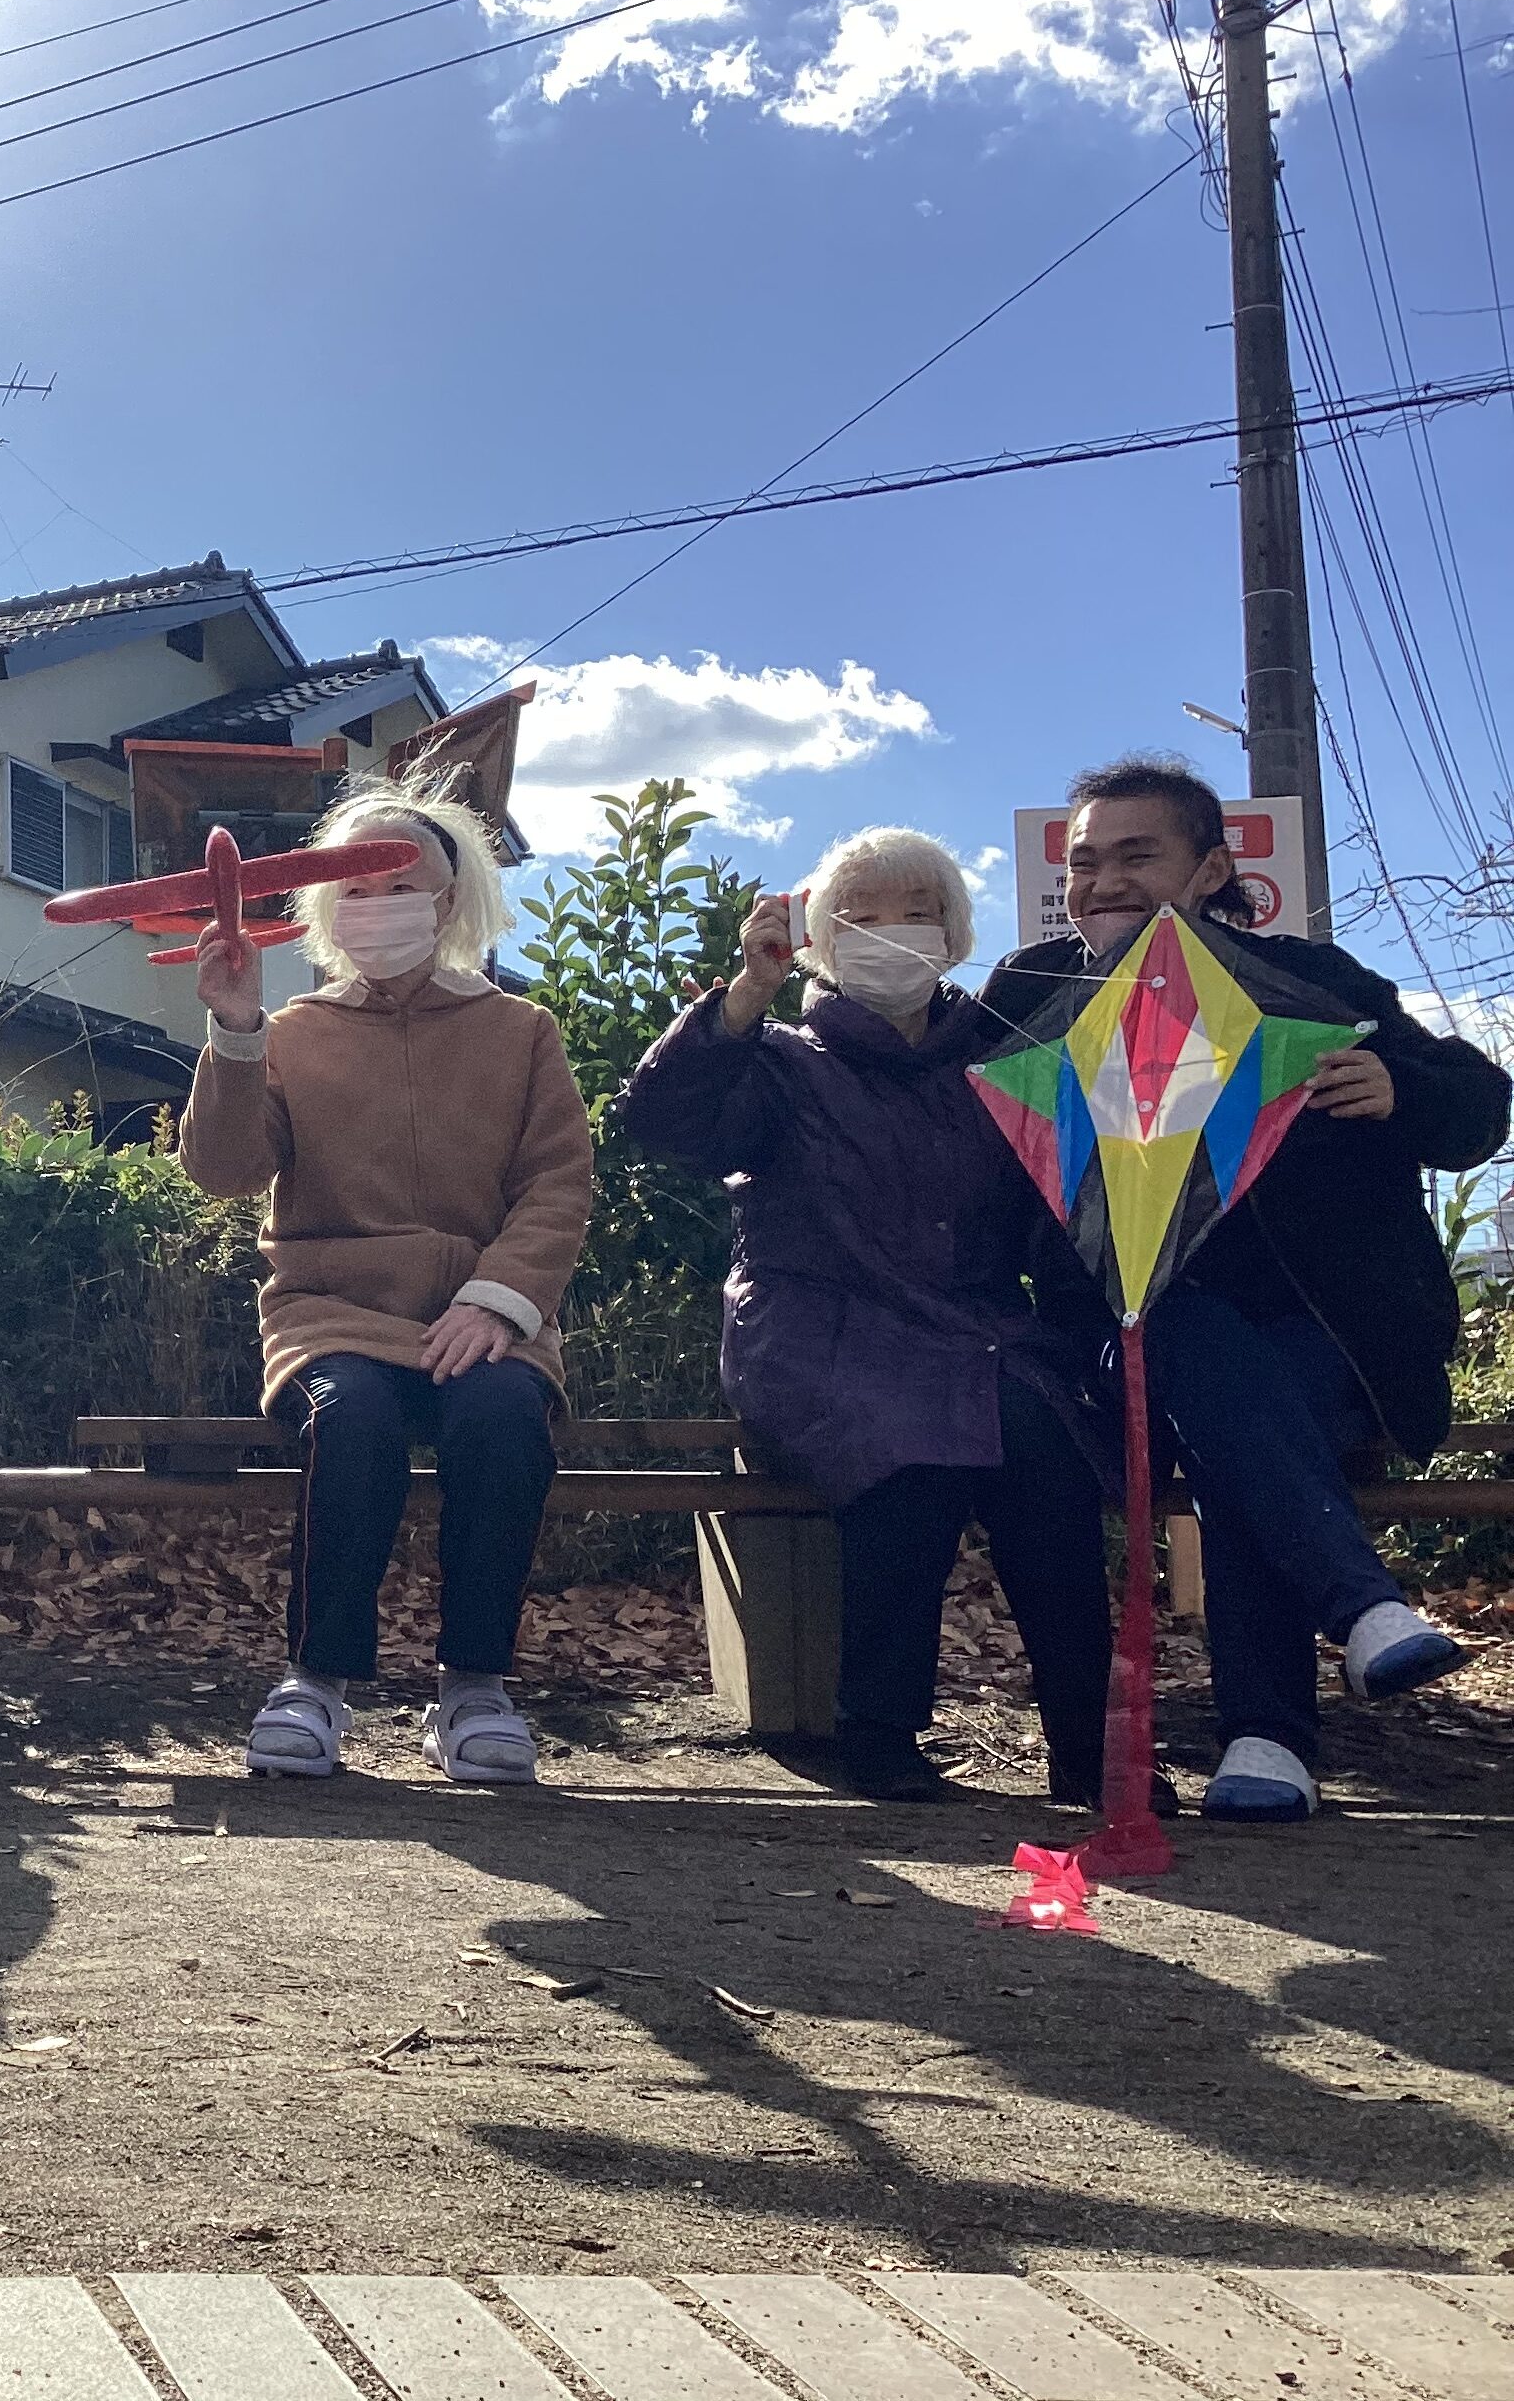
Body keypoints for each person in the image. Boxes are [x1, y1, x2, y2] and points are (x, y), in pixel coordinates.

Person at [983, 753, 1508, 1821]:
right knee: (1184, 1336)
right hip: (1118, 1337)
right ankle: (1340, 1635)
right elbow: (926, 1092)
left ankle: (1276, 1734)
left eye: (1138, 856)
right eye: (1084, 862)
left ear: (1213, 869)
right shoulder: (1032, 994)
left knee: (1243, 1401)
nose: (1103, 882)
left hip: (1328, 1333)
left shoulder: (1312, 980)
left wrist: (1398, 1088)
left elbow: (1477, 1106)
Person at [624, 828, 1122, 1805]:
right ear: (818, 937)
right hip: (817, 1331)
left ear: (954, 931)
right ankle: (878, 1730)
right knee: (907, 1452)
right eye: (860, 917)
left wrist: (1091, 1340)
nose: (893, 933)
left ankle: (1090, 1746)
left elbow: (1056, 1222)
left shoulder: (1003, 1063)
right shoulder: (781, 1061)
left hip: (977, 1335)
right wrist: (744, 998)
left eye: (918, 912)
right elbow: (663, 1121)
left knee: (1049, 1451)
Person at [178, 781, 594, 1785]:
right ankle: (314, 1680)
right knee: (352, 1420)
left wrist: (498, 1300)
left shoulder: (521, 1030)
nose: (380, 905)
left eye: (404, 885)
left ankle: (475, 1688)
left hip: (483, 1317)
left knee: (505, 1421)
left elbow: (556, 1182)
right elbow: (224, 1170)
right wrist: (235, 1028)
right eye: (356, 887)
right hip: (333, 1315)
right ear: (325, 904)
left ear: (453, 900)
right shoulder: (294, 1031)